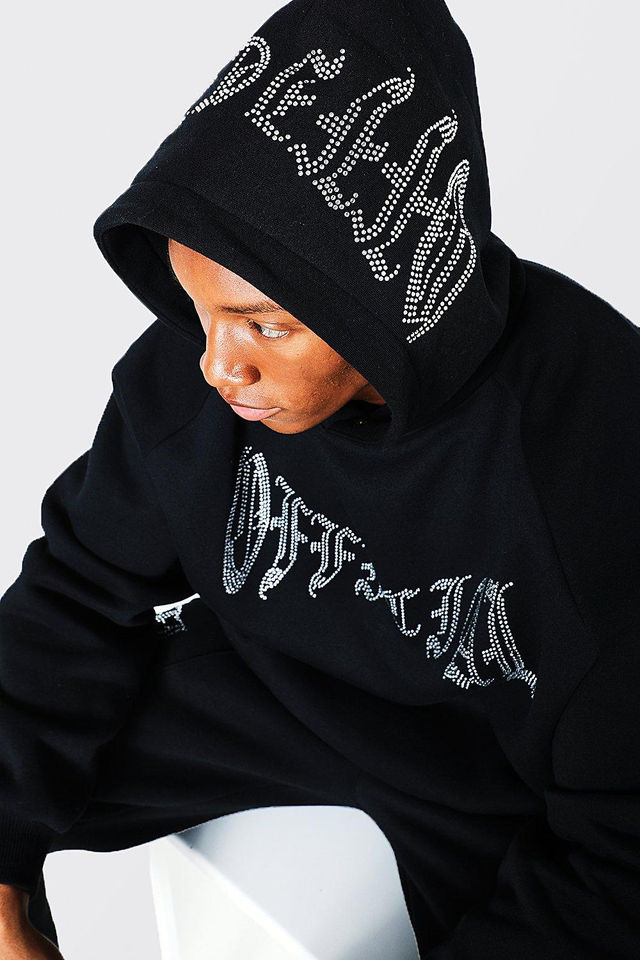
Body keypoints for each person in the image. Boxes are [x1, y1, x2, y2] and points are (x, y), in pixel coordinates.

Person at [1, 0, 639, 956]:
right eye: (200, 308)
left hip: (490, 781)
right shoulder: (203, 374)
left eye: (266, 325)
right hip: (262, 692)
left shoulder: (589, 475)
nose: (220, 366)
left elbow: (620, 850)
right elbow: (76, 593)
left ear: (386, 304)